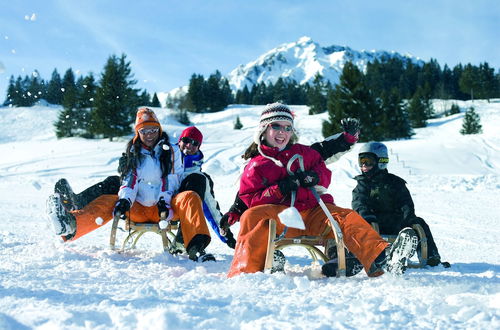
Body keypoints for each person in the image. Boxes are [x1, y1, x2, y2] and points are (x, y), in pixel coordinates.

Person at [226, 102, 418, 278]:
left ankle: (383, 258)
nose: (282, 132)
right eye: (276, 126)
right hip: (281, 217)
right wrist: (281, 187)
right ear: (263, 129)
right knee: (252, 216)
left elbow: (321, 162)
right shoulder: (256, 165)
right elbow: (249, 198)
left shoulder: (301, 153)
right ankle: (246, 271)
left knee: (346, 216)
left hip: (311, 213)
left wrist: (315, 177)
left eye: (287, 127)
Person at [46, 107, 215, 262]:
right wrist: (125, 200)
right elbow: (129, 179)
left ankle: (196, 248)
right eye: (144, 130)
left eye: (153, 130)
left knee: (190, 197)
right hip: (138, 208)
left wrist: (164, 200)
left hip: (166, 210)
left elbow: (170, 178)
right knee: (110, 199)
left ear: (159, 129)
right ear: (138, 132)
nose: (149, 134)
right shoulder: (133, 152)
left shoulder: (172, 151)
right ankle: (71, 224)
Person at [352, 142, 449, 267]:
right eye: (361, 161)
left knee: (420, 223)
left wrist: (408, 219)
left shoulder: (395, 182)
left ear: (381, 161)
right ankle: (374, 257)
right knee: (356, 224)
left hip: (396, 222)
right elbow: (359, 204)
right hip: (374, 222)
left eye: (368, 161)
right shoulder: (362, 184)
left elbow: (406, 203)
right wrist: (367, 217)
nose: (364, 165)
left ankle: (431, 258)